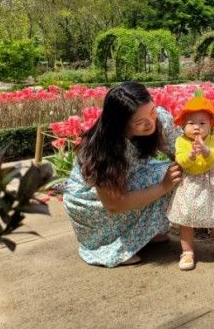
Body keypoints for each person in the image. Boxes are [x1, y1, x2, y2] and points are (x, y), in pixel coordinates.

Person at [63, 81, 183, 267]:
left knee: (177, 172)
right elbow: (113, 204)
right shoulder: (102, 150)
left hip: (129, 178)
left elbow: (181, 153)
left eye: (151, 111)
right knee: (164, 178)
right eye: (139, 122)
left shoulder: (159, 119)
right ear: (119, 123)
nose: (151, 123)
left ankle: (144, 233)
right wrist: (163, 187)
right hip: (91, 203)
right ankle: (116, 245)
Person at [167, 91, 214, 270]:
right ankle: (187, 251)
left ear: (212, 124)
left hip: (208, 184)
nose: (196, 127)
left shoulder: (212, 140)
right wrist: (190, 156)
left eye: (202, 123)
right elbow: (180, 160)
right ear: (182, 124)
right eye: (191, 123)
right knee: (186, 219)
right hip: (189, 184)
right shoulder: (181, 141)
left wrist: (205, 151)